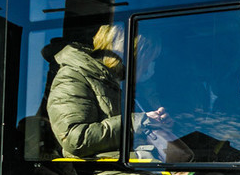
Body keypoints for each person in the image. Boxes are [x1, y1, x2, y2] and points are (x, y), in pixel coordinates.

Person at [47, 24, 168, 159]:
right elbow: (76, 140)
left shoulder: (122, 81)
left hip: (135, 158)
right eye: (147, 59)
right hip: (100, 167)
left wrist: (157, 122)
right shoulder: (73, 77)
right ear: (129, 55)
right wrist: (137, 122)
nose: (149, 66)